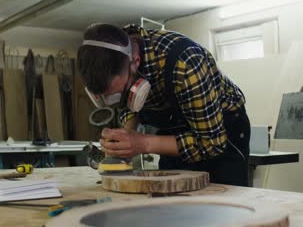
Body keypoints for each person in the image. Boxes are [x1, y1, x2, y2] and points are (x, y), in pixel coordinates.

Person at [78, 23, 250, 186]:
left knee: (224, 210)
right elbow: (127, 106)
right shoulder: (113, 54)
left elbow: (212, 142)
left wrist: (142, 143)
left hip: (220, 134)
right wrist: (126, 136)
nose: (118, 101)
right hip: (175, 133)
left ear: (135, 62)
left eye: (119, 95)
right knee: (171, 206)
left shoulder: (185, 62)